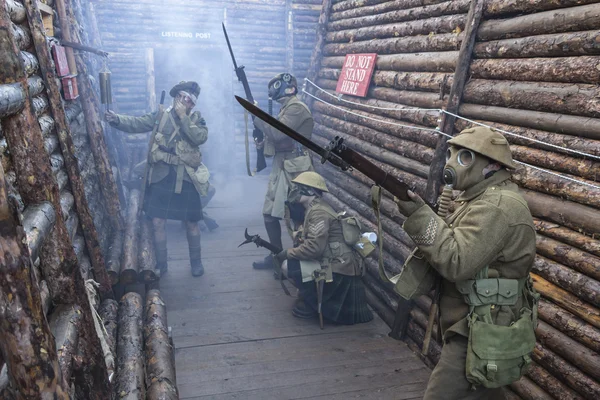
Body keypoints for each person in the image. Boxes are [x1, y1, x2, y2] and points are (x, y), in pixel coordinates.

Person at [394, 127, 537, 399]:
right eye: (451, 153)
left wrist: (419, 215)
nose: (451, 163)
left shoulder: (498, 206)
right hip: (475, 322)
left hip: (482, 327)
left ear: (493, 165)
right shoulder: (477, 196)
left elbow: (456, 261)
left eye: (465, 157)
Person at [105, 81, 209, 277]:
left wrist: (182, 117)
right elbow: (138, 123)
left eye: (189, 100)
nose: (184, 102)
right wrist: (116, 119)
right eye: (182, 97)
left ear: (192, 105)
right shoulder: (161, 115)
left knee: (192, 222)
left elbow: (199, 138)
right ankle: (162, 264)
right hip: (161, 176)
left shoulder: (197, 120)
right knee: (158, 222)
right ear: (176, 97)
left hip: (186, 178)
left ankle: (196, 263)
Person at [275, 172, 373, 325]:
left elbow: (314, 249)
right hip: (336, 262)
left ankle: (313, 302)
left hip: (339, 269)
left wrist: (288, 253)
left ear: (310, 191)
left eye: (300, 188)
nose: (295, 191)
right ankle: (311, 297)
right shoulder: (315, 207)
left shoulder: (318, 212)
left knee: (288, 266)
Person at [251, 73, 314, 273]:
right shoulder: (286, 108)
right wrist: (263, 143)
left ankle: (298, 265)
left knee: (296, 218)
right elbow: (278, 139)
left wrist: (256, 115)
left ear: (289, 88)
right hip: (282, 165)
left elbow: (278, 132)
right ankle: (277, 257)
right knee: (269, 214)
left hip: (296, 168)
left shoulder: (296, 108)